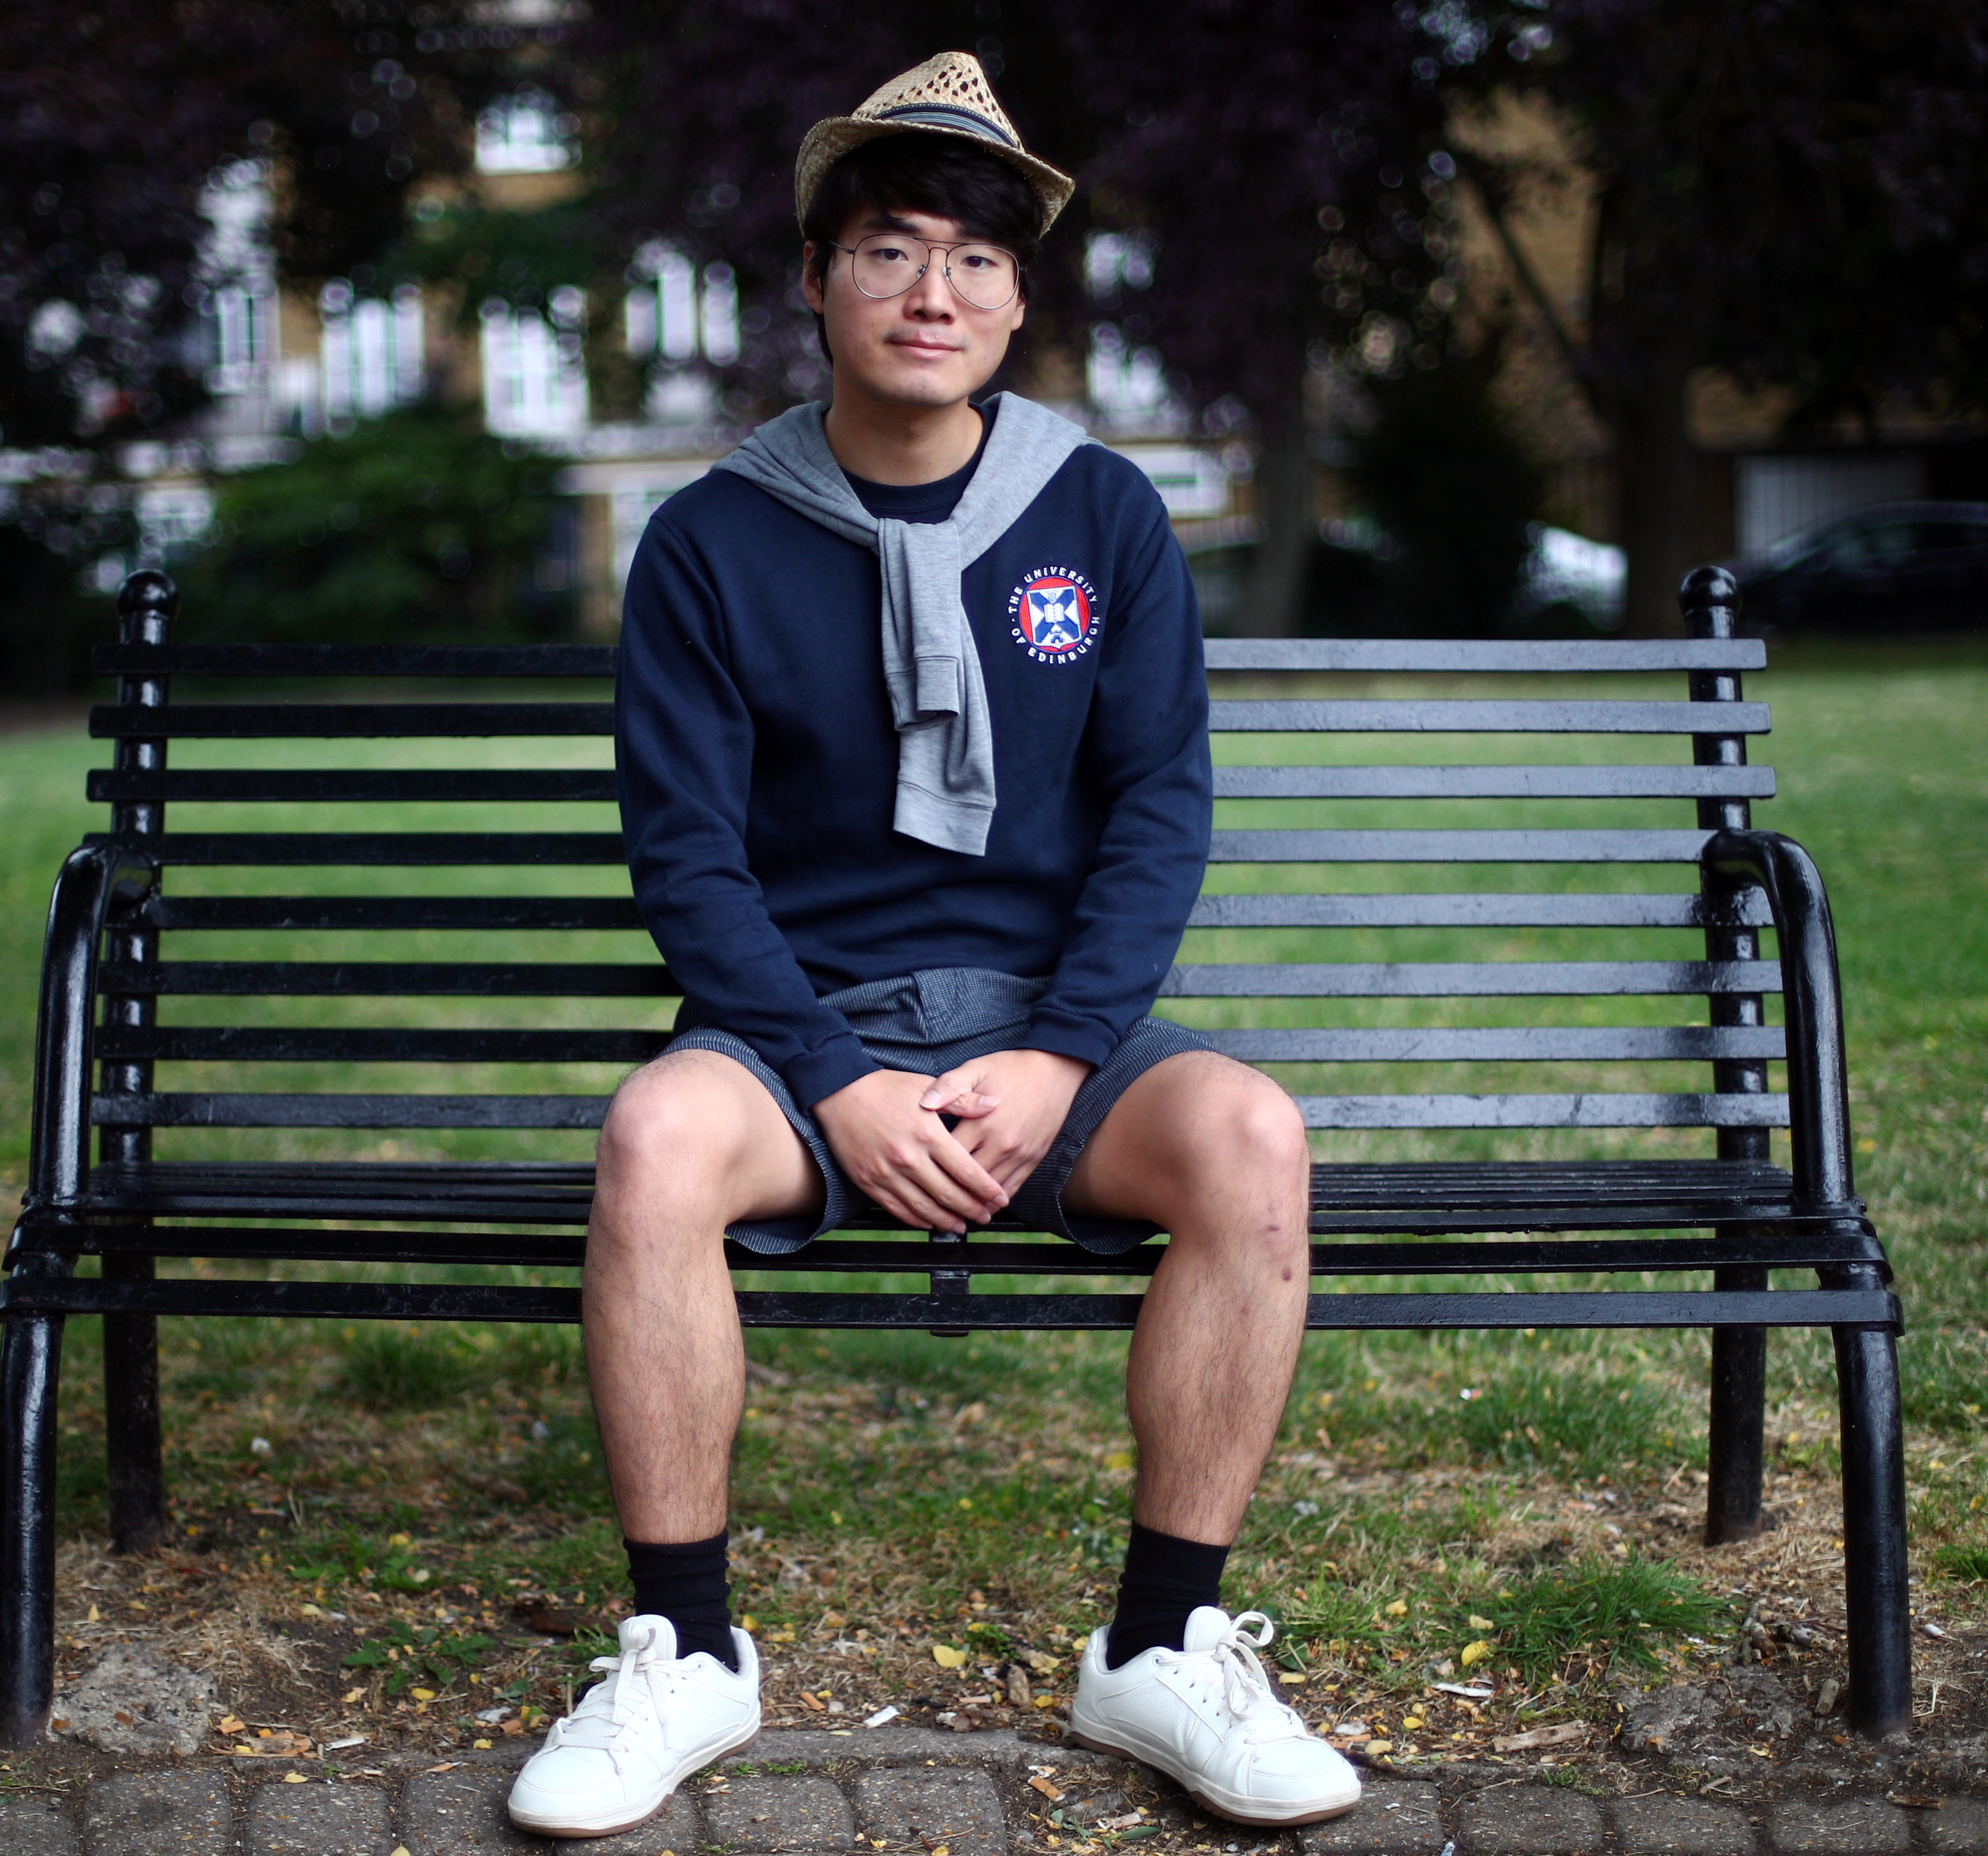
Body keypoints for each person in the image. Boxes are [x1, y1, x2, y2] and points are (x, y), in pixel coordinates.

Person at [506, 52, 1358, 1840]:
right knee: (654, 1140)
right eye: (891, 250)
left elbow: (1158, 813)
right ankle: (684, 1651)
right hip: (797, 1038)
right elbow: (686, 855)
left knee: (1252, 1138)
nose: (933, 293)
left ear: (1021, 303)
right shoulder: (713, 541)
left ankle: (1163, 1643)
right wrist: (833, 1076)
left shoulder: (1102, 517)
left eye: (975, 260)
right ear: (816, 281)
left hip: (1054, 1037)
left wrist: (1061, 1054)